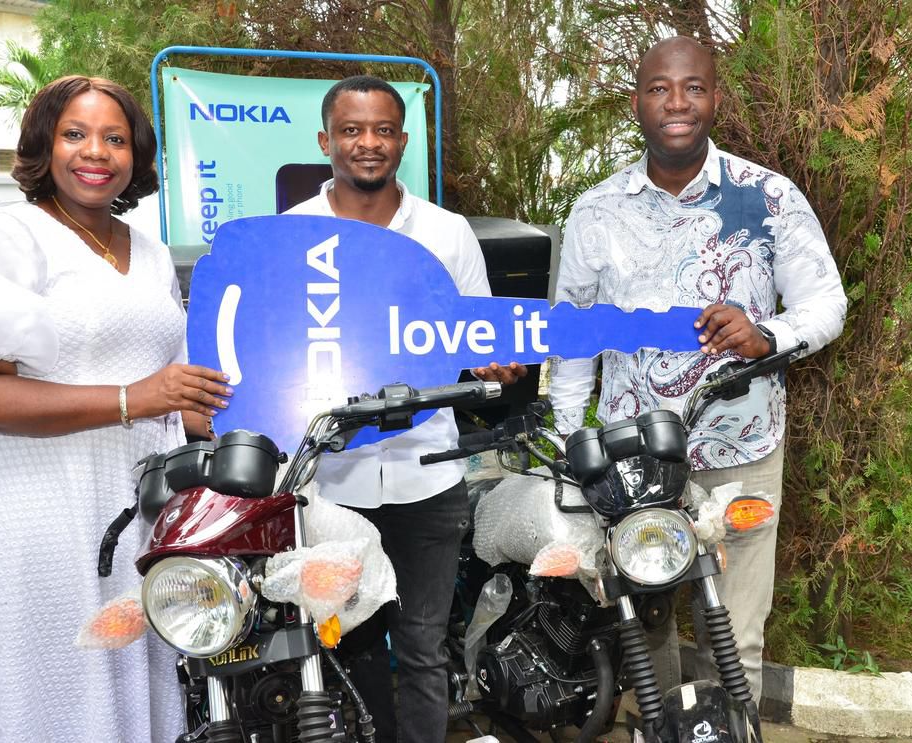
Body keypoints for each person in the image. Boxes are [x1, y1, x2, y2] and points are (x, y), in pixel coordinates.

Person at [0, 76, 232, 742]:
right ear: (45, 145)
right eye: (76, 134)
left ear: (136, 156)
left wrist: (208, 411)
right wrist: (134, 398)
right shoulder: (11, 235)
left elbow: (162, 384)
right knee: (48, 676)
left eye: (115, 138)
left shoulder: (147, 249)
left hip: (129, 499)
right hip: (31, 502)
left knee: (124, 666)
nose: (97, 152)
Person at [549, 37, 847, 701]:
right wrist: (571, 438)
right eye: (659, 88)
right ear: (637, 102)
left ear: (715, 97)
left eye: (692, 88)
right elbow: (574, 337)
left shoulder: (767, 198)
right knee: (646, 637)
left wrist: (766, 335)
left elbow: (827, 304)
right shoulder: (596, 211)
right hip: (632, 463)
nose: (676, 103)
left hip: (740, 451)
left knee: (733, 640)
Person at [286, 74, 524, 743]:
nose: (369, 144)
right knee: (345, 644)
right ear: (325, 140)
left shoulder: (447, 233)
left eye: (383, 130)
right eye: (353, 130)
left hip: (430, 475)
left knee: (423, 647)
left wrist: (496, 361)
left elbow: (483, 334)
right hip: (333, 482)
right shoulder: (290, 234)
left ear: (403, 140)